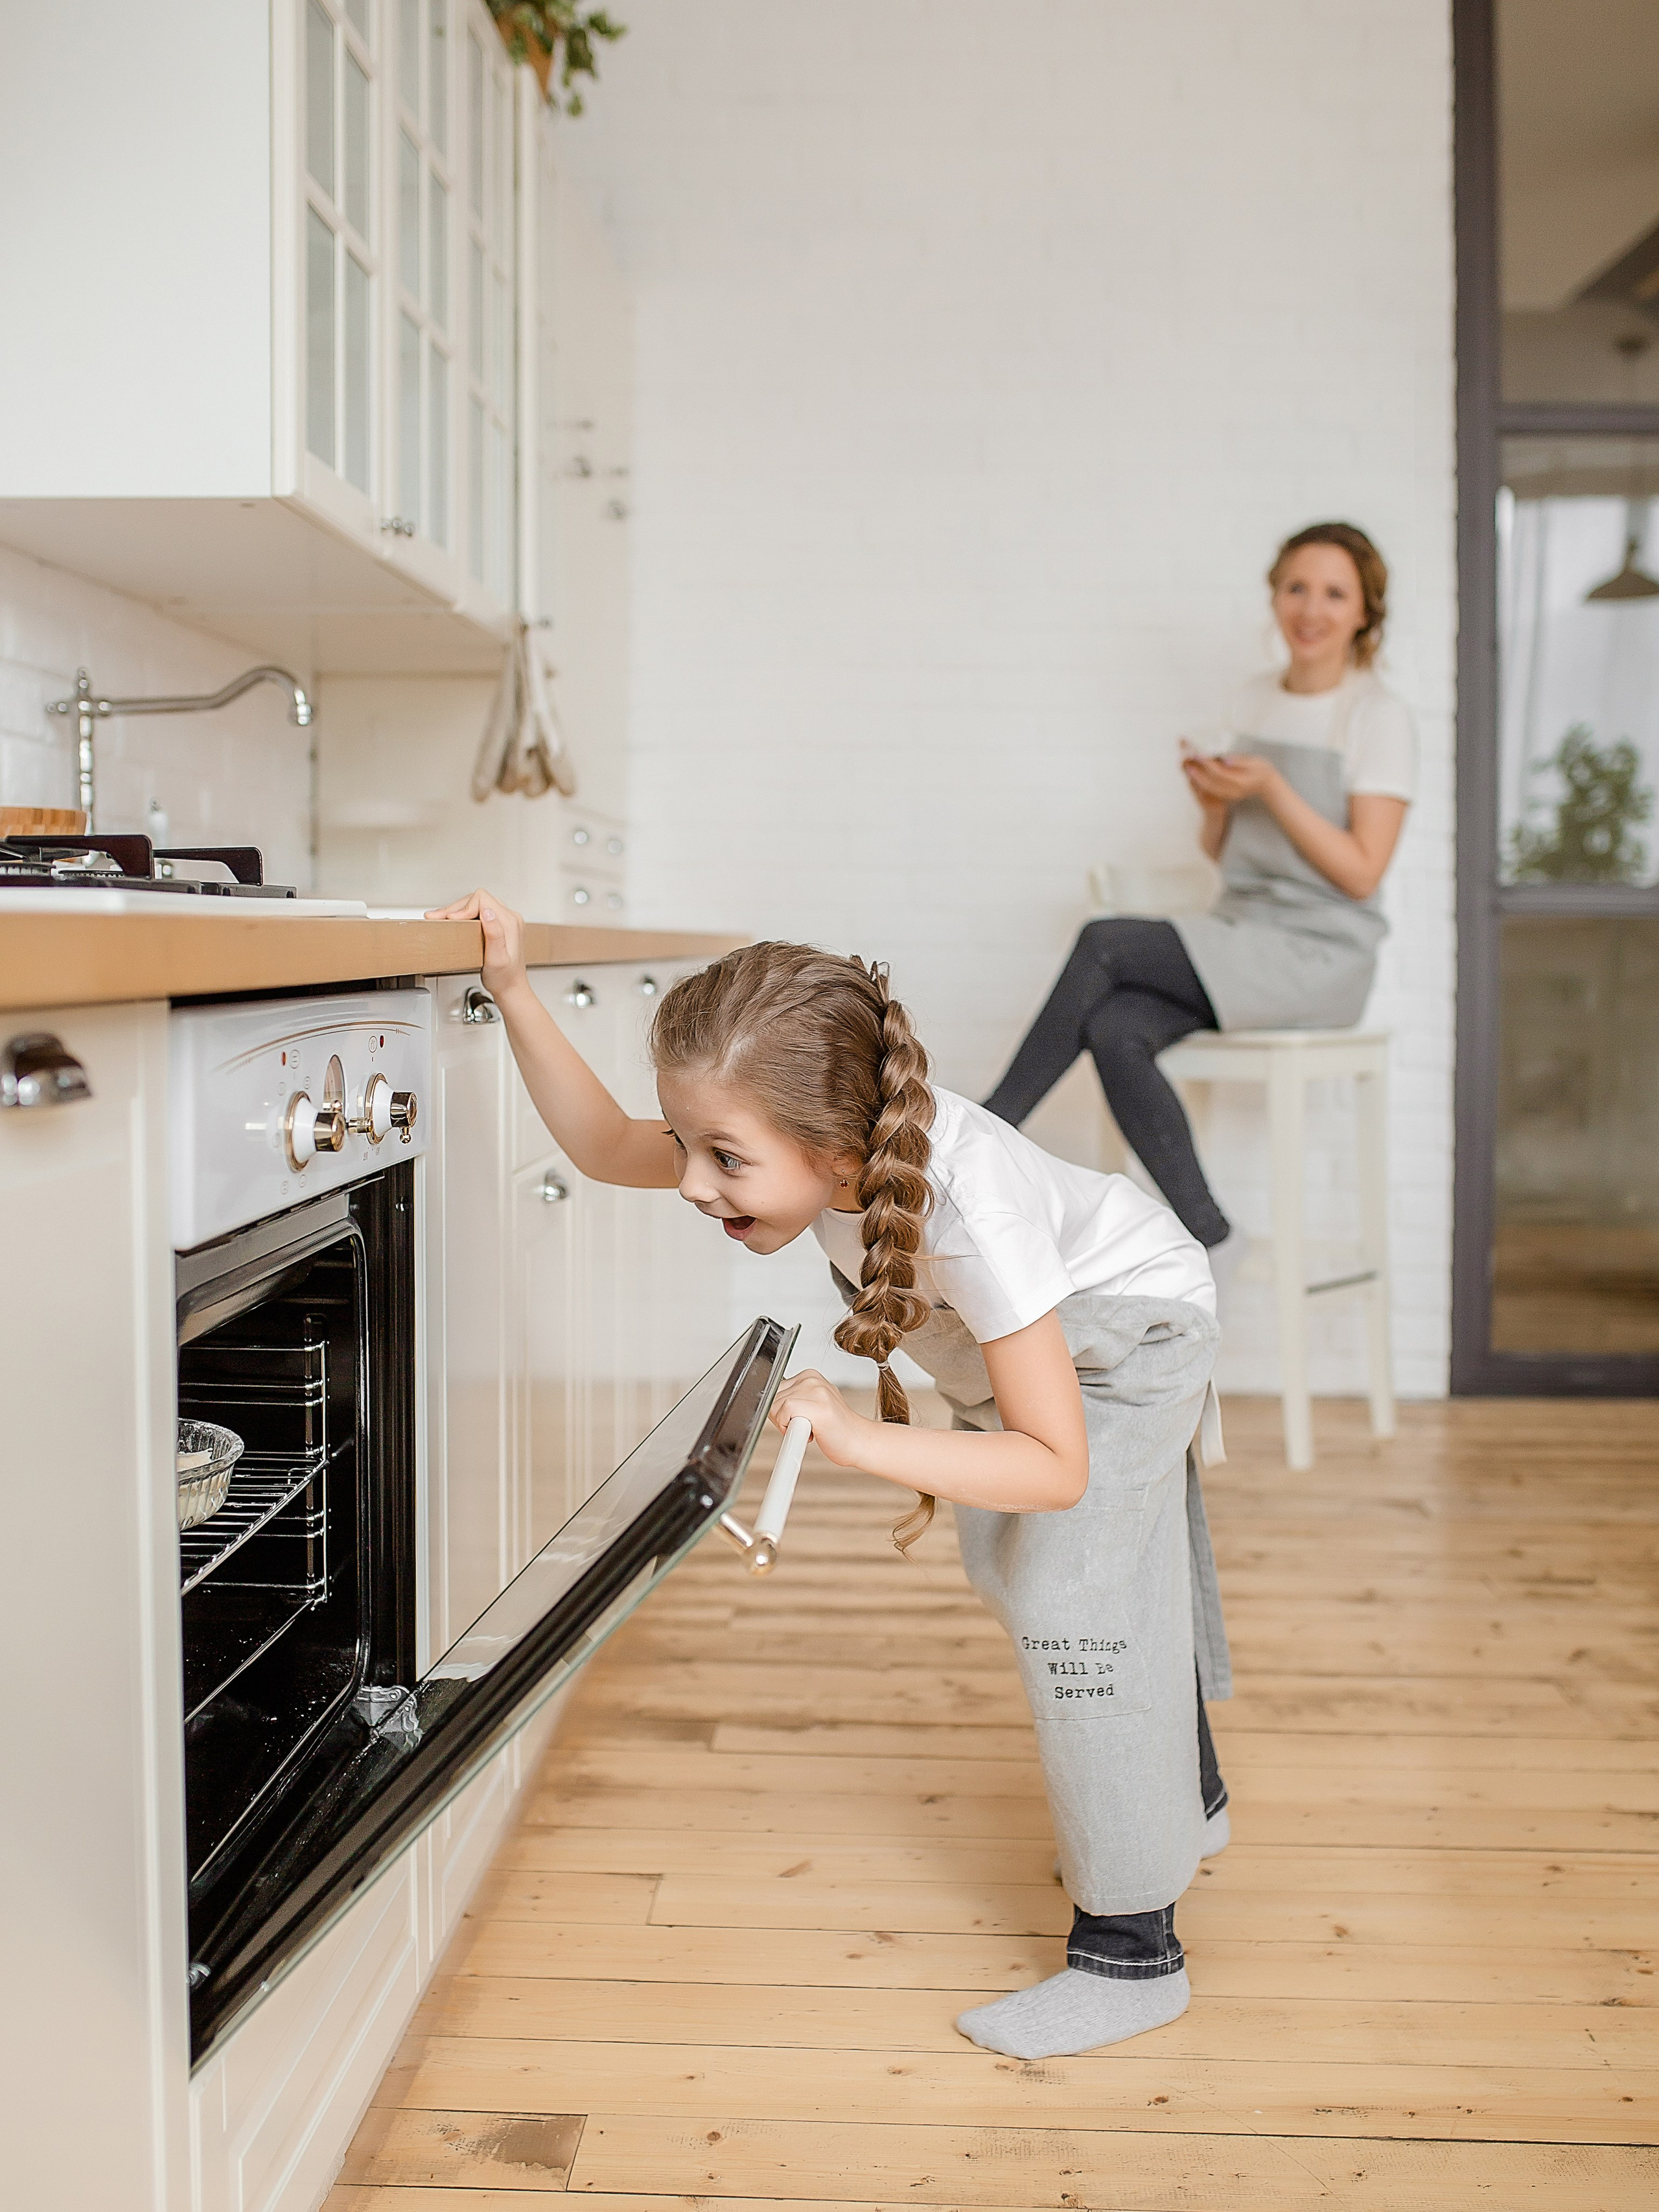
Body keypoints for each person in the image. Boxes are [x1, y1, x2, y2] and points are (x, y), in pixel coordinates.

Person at [424, 893, 1232, 2061]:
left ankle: (1132, 1953)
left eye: (725, 1158)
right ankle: (1184, 1795)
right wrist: (510, 987)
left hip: (1133, 1334)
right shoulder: (820, 1140)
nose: (692, 1183)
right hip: (1044, 1344)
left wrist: (855, 1434)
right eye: (688, 1144)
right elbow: (603, 1147)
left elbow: (1056, 1467)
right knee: (1044, 1572)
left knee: (1075, 1603)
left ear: (840, 1154)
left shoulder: (969, 1215)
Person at [982, 520, 1416, 1272]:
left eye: (1334, 593)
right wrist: (1214, 802)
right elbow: (1222, 853)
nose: (1310, 608)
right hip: (1241, 932)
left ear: (1364, 612)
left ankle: (981, 1137)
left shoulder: (1377, 715)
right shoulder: (1253, 699)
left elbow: (1361, 873)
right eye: (1296, 588)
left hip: (1319, 952)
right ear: (1274, 597)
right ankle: (1212, 1233)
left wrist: (1271, 786)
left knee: (1106, 940)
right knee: (1115, 1027)